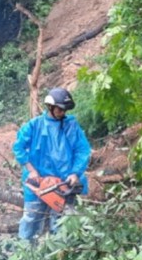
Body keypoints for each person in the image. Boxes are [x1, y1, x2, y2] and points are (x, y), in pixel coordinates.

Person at [12, 87, 92, 243]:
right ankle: (24, 253)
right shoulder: (34, 125)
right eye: (60, 109)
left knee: (62, 223)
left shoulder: (71, 126)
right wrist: (31, 170)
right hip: (39, 181)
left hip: (63, 182)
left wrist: (75, 173)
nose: (62, 113)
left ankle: (59, 256)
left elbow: (82, 150)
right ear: (50, 107)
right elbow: (18, 147)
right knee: (31, 217)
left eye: (64, 110)